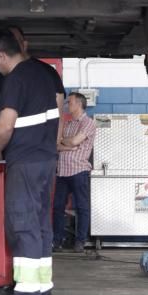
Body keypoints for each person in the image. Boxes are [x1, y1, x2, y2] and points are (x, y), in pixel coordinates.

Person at [0, 30, 59, 295]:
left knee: (23, 224)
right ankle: (42, 289)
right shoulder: (43, 75)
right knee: (40, 225)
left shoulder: (15, 79)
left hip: (24, 162)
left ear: (0, 55)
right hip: (46, 160)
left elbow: (5, 126)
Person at [0, 25, 64, 123]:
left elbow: (58, 113)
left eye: (15, 41)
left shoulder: (48, 72)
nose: (11, 45)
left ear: (24, 45)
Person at [53, 92, 96, 253]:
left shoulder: (88, 123)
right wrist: (69, 145)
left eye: (69, 102)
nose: (66, 105)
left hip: (79, 170)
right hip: (62, 171)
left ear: (79, 103)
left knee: (82, 207)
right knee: (58, 207)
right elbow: (57, 144)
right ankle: (57, 241)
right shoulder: (68, 124)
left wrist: (69, 143)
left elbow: (74, 141)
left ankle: (80, 242)